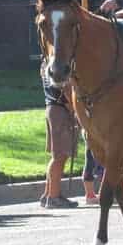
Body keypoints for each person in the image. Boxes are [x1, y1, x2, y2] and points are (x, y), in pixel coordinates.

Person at [39, 61, 79, 208]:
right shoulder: (58, 66)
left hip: (51, 108)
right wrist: (75, 109)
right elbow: (67, 90)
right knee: (60, 156)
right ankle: (54, 197)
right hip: (61, 109)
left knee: (57, 156)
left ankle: (48, 194)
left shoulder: (45, 64)